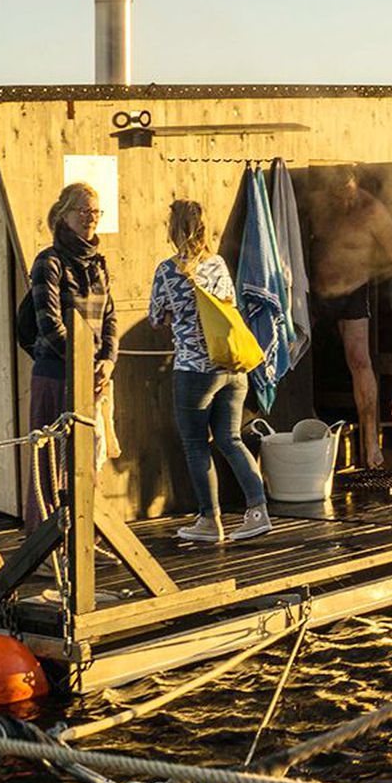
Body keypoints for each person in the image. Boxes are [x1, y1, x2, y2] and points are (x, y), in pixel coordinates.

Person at [147, 199, 272, 545]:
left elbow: (156, 319)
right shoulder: (217, 265)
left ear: (173, 230)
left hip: (194, 371)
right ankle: (258, 512)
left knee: (195, 445)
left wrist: (176, 317)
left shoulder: (167, 271)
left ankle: (209, 520)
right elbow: (228, 305)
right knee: (231, 439)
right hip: (231, 367)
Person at [15, 181, 116, 525]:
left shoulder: (98, 264)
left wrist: (107, 361)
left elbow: (110, 318)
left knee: (88, 462)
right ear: (63, 215)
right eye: (83, 210)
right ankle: (43, 542)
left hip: (93, 378)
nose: (91, 218)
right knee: (49, 467)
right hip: (56, 374)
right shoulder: (49, 262)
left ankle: (85, 540)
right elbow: (48, 323)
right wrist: (84, 364)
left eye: (96, 211)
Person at [308, 167, 392, 471]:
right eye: (335, 191)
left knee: (359, 360)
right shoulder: (319, 203)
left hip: (353, 291)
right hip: (317, 293)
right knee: (302, 359)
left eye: (345, 191)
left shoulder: (371, 210)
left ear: (354, 183)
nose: (340, 198)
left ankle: (371, 442)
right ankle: (306, 428)